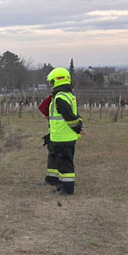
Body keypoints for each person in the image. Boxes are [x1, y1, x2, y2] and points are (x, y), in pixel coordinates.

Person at [47, 67, 83, 195]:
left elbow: (69, 116)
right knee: (62, 163)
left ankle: (67, 189)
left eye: (51, 82)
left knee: (65, 163)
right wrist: (79, 126)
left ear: (57, 81)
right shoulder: (68, 95)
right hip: (64, 136)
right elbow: (75, 115)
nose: (50, 85)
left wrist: (78, 127)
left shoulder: (60, 98)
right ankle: (61, 186)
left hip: (63, 137)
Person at [38, 94, 58, 186]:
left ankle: (54, 179)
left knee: (55, 155)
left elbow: (42, 106)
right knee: (54, 155)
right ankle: (54, 178)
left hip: (57, 133)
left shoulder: (56, 97)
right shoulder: (66, 96)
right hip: (57, 132)